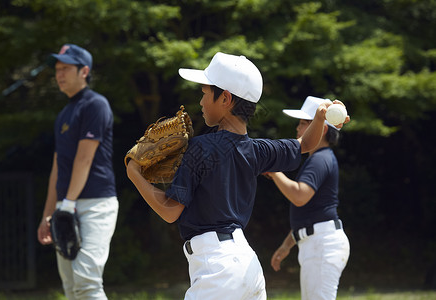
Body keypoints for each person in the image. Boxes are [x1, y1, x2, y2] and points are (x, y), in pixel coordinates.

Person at [126, 52, 348, 300]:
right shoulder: (257, 149)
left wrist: (134, 173)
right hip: (247, 265)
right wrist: (319, 117)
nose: (201, 101)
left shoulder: (200, 148)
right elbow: (305, 144)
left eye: (205, 92)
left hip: (217, 269)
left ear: (225, 98)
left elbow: (170, 211)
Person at [37, 44, 119, 299]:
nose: (59, 74)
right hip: (66, 207)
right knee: (72, 289)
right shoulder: (63, 115)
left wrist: (68, 204)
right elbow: (57, 169)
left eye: (65, 68)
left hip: (95, 205)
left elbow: (84, 160)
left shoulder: (96, 105)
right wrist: (48, 214)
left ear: (84, 71)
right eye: (57, 69)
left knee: (86, 282)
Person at [267, 96, 350, 300]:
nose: (298, 128)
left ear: (322, 128)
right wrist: (287, 245)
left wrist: (274, 170)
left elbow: (299, 196)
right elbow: (310, 213)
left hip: (322, 244)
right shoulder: (320, 158)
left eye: (304, 123)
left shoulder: (320, 159)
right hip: (317, 242)